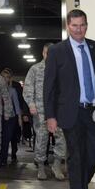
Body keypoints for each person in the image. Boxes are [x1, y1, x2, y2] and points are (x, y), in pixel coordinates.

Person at [44, 9, 95, 189]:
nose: (79, 29)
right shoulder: (57, 51)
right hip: (71, 112)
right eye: (74, 25)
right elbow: (49, 86)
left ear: (87, 25)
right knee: (76, 156)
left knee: (93, 157)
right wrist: (50, 116)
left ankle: (79, 186)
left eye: (82, 25)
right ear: (68, 26)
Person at [23, 43, 66, 181]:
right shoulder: (35, 69)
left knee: (62, 137)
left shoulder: (61, 68)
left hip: (58, 110)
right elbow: (28, 88)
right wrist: (31, 104)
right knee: (41, 138)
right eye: (48, 53)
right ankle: (41, 166)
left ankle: (57, 164)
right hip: (40, 110)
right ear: (43, 53)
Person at [0, 68, 22, 166]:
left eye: (7, 77)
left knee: (6, 138)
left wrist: (20, 118)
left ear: (9, 79)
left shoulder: (12, 90)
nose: (5, 79)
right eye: (3, 77)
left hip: (11, 118)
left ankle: (3, 159)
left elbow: (16, 105)